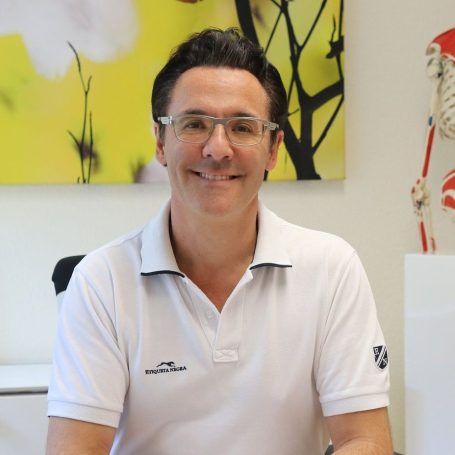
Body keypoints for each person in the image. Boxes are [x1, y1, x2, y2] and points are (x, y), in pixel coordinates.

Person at [46, 28, 393, 454]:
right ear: (160, 142)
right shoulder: (101, 282)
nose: (217, 148)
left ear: (273, 149)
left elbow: (365, 440)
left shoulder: (332, 269)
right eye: (194, 124)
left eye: (243, 127)